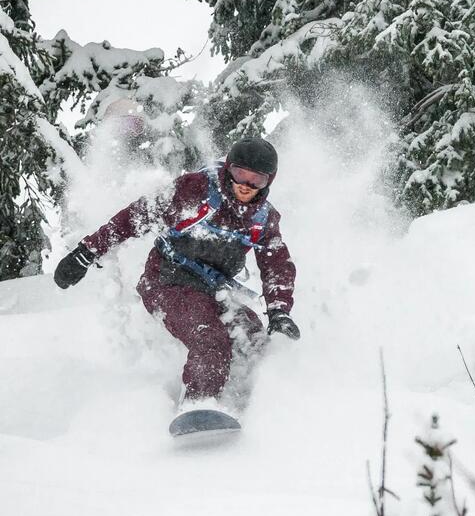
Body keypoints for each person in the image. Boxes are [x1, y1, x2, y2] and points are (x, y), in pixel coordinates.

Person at [53, 137, 299, 412]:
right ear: (229, 168)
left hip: (214, 290)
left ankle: (252, 407)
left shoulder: (263, 218)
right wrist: (86, 252)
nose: (245, 185)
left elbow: (276, 263)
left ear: (269, 182)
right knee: (211, 339)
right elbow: (136, 217)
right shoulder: (196, 190)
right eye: (240, 174)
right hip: (166, 281)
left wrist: (279, 312)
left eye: (257, 180)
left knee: (254, 340)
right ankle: (197, 408)